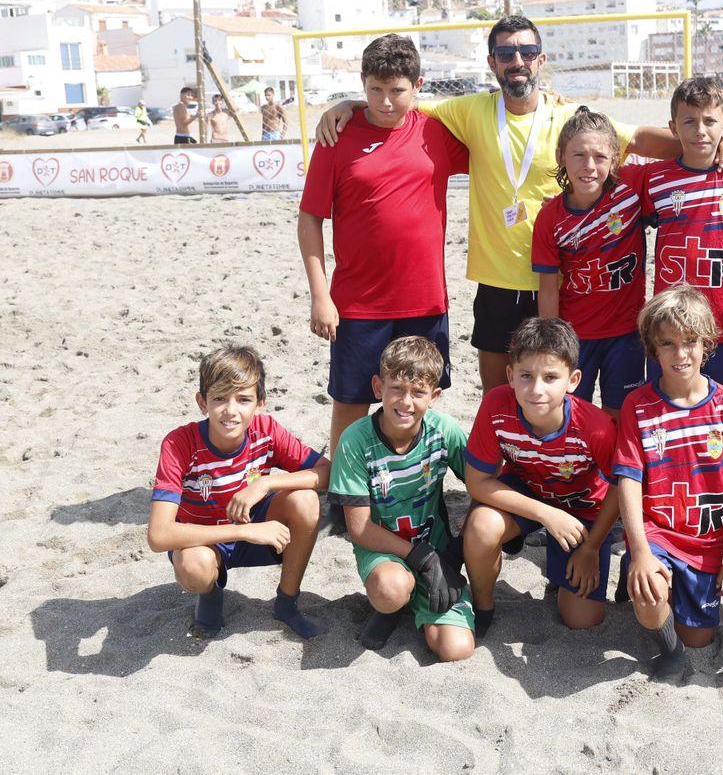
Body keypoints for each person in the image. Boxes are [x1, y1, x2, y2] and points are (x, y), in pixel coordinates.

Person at [316, 15, 723, 396]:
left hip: (564, 284)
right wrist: (349, 104)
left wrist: (717, 144)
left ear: (541, 59)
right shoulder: (467, 110)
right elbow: (397, 102)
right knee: (498, 396)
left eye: (527, 52)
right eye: (505, 54)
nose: (517, 61)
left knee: (557, 394)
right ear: (491, 63)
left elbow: (641, 138)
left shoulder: (571, 117)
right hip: (497, 280)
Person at [298, 34, 468, 462]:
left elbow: (498, 136)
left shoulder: (436, 132)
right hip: (358, 303)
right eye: (374, 90)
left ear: (418, 85)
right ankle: (345, 485)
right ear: (362, 82)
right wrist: (320, 296)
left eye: (397, 90)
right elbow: (310, 219)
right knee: (351, 402)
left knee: (419, 400)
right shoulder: (336, 137)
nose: (385, 101)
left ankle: (414, 481)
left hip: (425, 299)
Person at [612, 285, 723, 677]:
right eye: (668, 344)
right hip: (656, 532)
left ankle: (647, 586)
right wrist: (640, 550)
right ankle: (669, 651)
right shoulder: (637, 406)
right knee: (651, 593)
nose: (680, 354)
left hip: (705, 540)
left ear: (706, 343)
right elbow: (628, 481)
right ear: (653, 349)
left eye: (690, 342)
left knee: (699, 637)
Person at [145, 344, 328, 638]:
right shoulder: (179, 443)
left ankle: (287, 603)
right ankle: (210, 594)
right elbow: (158, 535)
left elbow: (327, 473)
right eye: (219, 398)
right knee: (194, 567)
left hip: (259, 532)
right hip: (205, 541)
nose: (230, 410)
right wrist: (243, 531)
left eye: (243, 399)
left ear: (260, 403)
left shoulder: (266, 431)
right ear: (202, 402)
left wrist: (265, 484)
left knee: (305, 499)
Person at [461, 318, 621, 637]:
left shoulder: (597, 427)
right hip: (529, 491)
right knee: (480, 527)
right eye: (526, 376)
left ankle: (562, 571)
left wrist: (591, 548)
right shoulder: (496, 405)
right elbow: (476, 482)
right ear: (510, 375)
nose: (536, 389)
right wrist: (547, 515)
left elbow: (620, 488)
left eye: (550, 377)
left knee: (580, 619)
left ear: (573, 380)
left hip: (582, 511)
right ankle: (483, 607)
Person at [329, 336, 475, 661]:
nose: (406, 401)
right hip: (384, 550)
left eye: (418, 392)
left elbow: (483, 486)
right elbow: (359, 528)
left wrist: (457, 548)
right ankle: (392, 608)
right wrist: (421, 557)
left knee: (456, 649)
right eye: (396, 388)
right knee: (389, 589)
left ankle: (423, 599)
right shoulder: (355, 440)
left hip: (437, 550)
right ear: (378, 387)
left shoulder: (444, 430)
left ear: (434, 396)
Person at [632, 76, 723, 406]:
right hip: (671, 323)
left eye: (710, 121)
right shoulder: (654, 179)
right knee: (667, 406)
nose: (700, 130)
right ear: (673, 127)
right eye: (689, 121)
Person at [532, 107, 646, 419]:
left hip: (626, 334)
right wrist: (552, 344)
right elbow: (548, 288)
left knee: (619, 415)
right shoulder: (550, 218)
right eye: (579, 155)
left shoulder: (632, 188)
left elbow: (685, 157)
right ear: (560, 156)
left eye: (600, 156)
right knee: (570, 415)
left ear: (616, 159)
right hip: (574, 336)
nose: (589, 166)